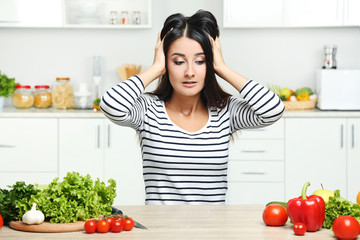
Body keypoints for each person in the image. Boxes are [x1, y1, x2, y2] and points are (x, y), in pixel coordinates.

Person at [100, 10, 285, 205]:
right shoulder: (148, 110)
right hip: (160, 232)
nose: (189, 72)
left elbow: (273, 110)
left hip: (212, 230)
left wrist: (222, 68)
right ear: (166, 63)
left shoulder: (226, 112)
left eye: (200, 61)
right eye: (178, 62)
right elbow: (110, 104)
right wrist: (155, 68)